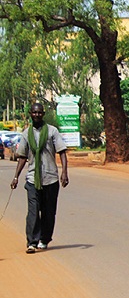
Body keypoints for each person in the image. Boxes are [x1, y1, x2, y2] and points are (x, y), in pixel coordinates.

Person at [10, 103, 69, 254]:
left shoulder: (52, 131)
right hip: (32, 179)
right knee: (33, 211)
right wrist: (16, 177)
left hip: (51, 178)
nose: (36, 115)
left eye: (39, 113)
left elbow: (62, 152)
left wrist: (64, 172)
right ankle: (32, 242)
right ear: (30, 113)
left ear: (43, 114)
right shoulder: (26, 134)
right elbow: (22, 157)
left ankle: (44, 239)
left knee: (49, 212)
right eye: (34, 113)